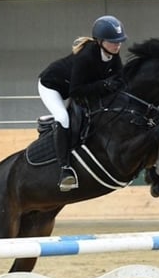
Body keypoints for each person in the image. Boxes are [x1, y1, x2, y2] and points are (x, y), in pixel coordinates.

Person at [37, 15, 127, 191]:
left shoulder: (113, 56)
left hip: (77, 87)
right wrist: (104, 85)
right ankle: (64, 169)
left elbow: (120, 81)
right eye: (112, 41)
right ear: (100, 41)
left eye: (119, 41)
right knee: (63, 117)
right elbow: (75, 91)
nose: (117, 45)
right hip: (52, 86)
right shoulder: (86, 56)